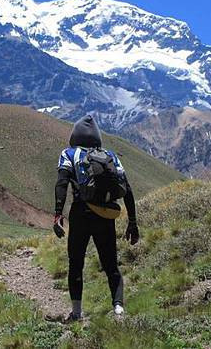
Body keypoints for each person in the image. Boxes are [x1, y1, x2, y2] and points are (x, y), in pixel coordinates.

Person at [54, 115, 140, 321]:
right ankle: (118, 309)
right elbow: (127, 189)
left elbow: (62, 183)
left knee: (76, 263)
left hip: (80, 214)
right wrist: (132, 222)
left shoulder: (69, 154)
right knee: (111, 264)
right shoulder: (110, 156)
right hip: (106, 215)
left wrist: (58, 213)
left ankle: (76, 313)